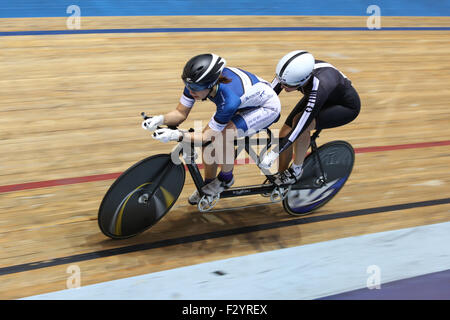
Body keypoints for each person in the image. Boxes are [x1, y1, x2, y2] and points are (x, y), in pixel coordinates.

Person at [142, 53, 281, 204]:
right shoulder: (196, 83)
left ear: (210, 84)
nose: (190, 91)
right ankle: (209, 184)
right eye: (188, 85)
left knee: (222, 136)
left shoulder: (228, 100)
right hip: (246, 100)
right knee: (210, 142)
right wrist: (160, 119)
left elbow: (206, 136)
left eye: (194, 88)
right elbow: (180, 113)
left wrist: (176, 134)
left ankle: (226, 179)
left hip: (266, 107)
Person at [259, 50, 361, 184]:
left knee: (299, 125)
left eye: (288, 85)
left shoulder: (319, 87)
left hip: (344, 107)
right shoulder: (289, 75)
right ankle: (281, 179)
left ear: (303, 80)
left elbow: (299, 128)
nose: (283, 87)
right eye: (281, 82)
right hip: (320, 95)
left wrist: (273, 155)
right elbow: (268, 96)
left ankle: (296, 171)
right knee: (284, 134)